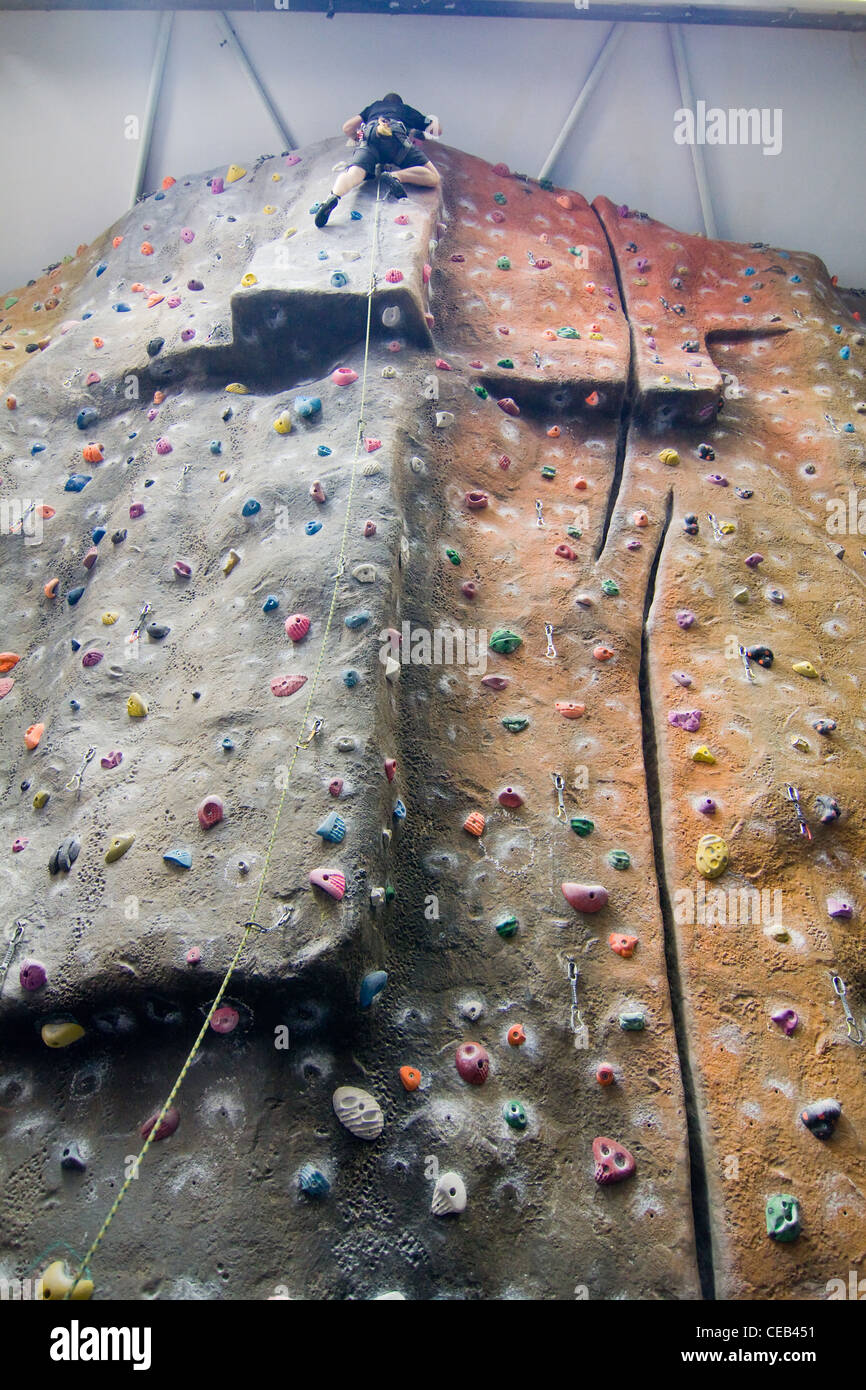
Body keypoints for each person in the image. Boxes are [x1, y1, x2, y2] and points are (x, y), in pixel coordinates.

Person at [313, 93, 441, 228]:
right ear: (400, 104)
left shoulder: (373, 107)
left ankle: (333, 196)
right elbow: (437, 130)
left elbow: (347, 127)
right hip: (395, 138)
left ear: (382, 102)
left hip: (369, 136)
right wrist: (419, 130)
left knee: (354, 173)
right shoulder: (405, 110)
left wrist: (358, 138)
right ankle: (395, 177)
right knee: (433, 176)